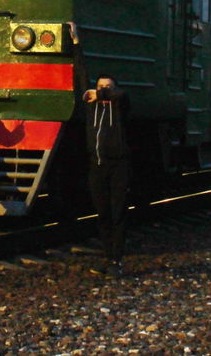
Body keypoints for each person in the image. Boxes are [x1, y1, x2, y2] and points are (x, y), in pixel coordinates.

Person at [83, 69, 131, 276]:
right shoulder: (92, 108)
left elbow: (122, 95)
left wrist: (101, 94)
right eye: (100, 87)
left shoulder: (120, 106)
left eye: (108, 87)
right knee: (102, 213)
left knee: (118, 213)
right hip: (97, 166)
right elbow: (82, 81)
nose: (103, 90)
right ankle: (108, 257)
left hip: (119, 166)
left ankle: (117, 261)